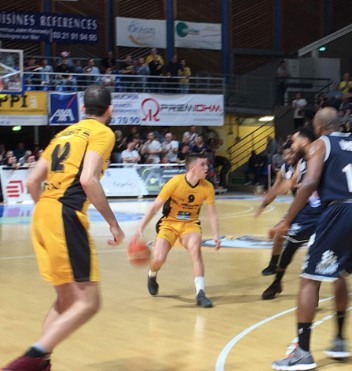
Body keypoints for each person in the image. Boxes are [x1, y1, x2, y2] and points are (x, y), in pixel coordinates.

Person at [4, 86, 125, 370]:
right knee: (88, 302)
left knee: (66, 297)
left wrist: (46, 210)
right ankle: (29, 360)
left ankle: (42, 362)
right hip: (66, 213)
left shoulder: (63, 133)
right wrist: (113, 223)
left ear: (83, 109)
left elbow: (32, 181)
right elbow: (88, 179)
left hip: (43, 211)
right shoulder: (103, 133)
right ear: (109, 110)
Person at [269, 107, 352, 370]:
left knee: (310, 279)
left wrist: (287, 219)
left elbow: (310, 182)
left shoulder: (321, 143)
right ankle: (340, 340)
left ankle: (302, 353)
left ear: (319, 125)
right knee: (339, 274)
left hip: (340, 210)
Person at [131, 153, 220, 308]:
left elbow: (212, 213)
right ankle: (152, 274)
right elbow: (155, 207)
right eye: (203, 164)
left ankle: (200, 293)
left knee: (195, 250)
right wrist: (140, 228)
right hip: (169, 223)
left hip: (190, 224)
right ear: (192, 167)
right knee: (158, 258)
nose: (207, 167)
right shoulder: (175, 182)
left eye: (207, 164)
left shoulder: (207, 187)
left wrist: (216, 235)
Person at [259, 127, 323, 300]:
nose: (292, 145)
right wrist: (267, 199)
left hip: (324, 211)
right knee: (290, 248)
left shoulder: (321, 159)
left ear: (305, 141)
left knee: (318, 252)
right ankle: (277, 282)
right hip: (306, 211)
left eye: (294, 141)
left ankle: (314, 292)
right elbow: (289, 184)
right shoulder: (301, 163)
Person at [256, 142, 297, 276]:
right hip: (300, 207)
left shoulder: (306, 164)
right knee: (280, 235)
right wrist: (263, 205)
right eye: (286, 154)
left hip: (317, 206)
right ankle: (273, 265)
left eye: (291, 153)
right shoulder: (284, 170)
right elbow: (274, 190)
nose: (288, 157)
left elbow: (286, 188)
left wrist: (283, 188)